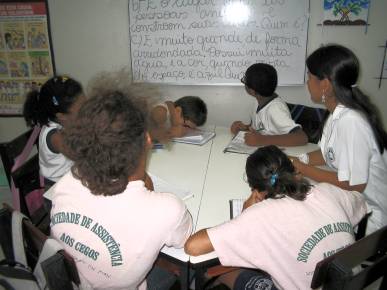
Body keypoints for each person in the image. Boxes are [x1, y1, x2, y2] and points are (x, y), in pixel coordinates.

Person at [50, 77, 193, 290]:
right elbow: (184, 243)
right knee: (185, 272)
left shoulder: (67, 181)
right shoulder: (168, 209)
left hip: (74, 282)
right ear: (147, 140)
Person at [185, 145, 367, 290]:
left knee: (222, 272)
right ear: (294, 170)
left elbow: (193, 246)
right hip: (354, 283)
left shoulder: (258, 217)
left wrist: (245, 214)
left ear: (255, 190)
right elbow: (360, 203)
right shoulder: (327, 191)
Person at [291, 44, 387, 234]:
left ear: (325, 84)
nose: (307, 82)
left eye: (309, 77)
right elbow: (328, 153)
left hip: (370, 219)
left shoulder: (351, 121)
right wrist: (301, 159)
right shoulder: (337, 112)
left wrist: (302, 168)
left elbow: (354, 184)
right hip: (351, 203)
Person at [23, 76, 85, 186]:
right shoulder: (55, 136)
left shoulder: (67, 122)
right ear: (61, 116)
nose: (87, 112)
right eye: (82, 111)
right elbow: (82, 156)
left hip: (71, 179)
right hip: (56, 190)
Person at [230, 63, 308, 146]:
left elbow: (302, 138)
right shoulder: (259, 101)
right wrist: (245, 128)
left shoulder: (275, 109)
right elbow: (261, 128)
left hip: (276, 154)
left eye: (244, 80)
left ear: (252, 90)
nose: (244, 81)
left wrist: (262, 140)